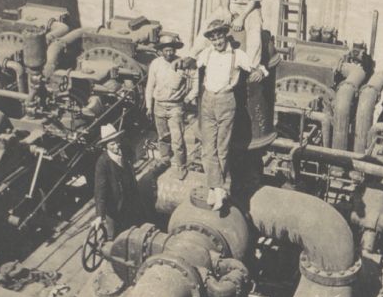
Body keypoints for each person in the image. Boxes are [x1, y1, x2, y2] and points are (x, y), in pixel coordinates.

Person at [184, 19, 266, 212]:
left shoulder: (238, 55)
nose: (217, 42)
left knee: (222, 148)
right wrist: (184, 61)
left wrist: (260, 72)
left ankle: (216, 189)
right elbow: (194, 63)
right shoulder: (207, 53)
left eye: (219, 37)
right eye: (213, 39)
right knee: (207, 148)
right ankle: (218, 188)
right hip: (207, 102)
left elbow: (257, 68)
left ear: (225, 36)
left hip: (226, 102)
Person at [145, 33, 189, 179]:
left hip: (175, 106)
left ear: (175, 50)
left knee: (177, 139)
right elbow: (150, 86)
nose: (169, 53)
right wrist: (149, 106)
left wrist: (189, 97)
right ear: (161, 51)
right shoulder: (155, 64)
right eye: (166, 50)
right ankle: (164, 159)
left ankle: (181, 165)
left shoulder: (182, 63)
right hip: (159, 106)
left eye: (171, 50)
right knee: (163, 137)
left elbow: (191, 81)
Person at [91, 124, 142, 239]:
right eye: (112, 144)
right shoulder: (102, 163)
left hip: (130, 200)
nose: (116, 146)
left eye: (117, 142)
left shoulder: (125, 151)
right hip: (115, 206)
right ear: (105, 146)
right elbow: (100, 190)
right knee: (114, 235)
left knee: (134, 228)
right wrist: (99, 215)